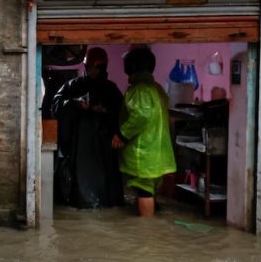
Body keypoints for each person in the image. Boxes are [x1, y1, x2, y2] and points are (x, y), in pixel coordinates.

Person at [51, 47, 124, 208]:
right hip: (79, 143)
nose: (93, 71)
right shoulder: (73, 86)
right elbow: (56, 106)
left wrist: (107, 115)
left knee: (106, 182)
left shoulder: (111, 89)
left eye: (97, 67)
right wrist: (74, 104)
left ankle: (106, 203)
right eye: (90, 67)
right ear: (85, 66)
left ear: (103, 67)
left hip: (104, 142)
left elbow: (122, 112)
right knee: (81, 178)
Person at [113, 47, 176, 217]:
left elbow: (141, 115)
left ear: (131, 67)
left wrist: (122, 134)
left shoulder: (138, 90)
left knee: (144, 190)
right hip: (159, 151)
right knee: (150, 188)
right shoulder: (157, 88)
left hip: (144, 151)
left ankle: (146, 229)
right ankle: (151, 225)